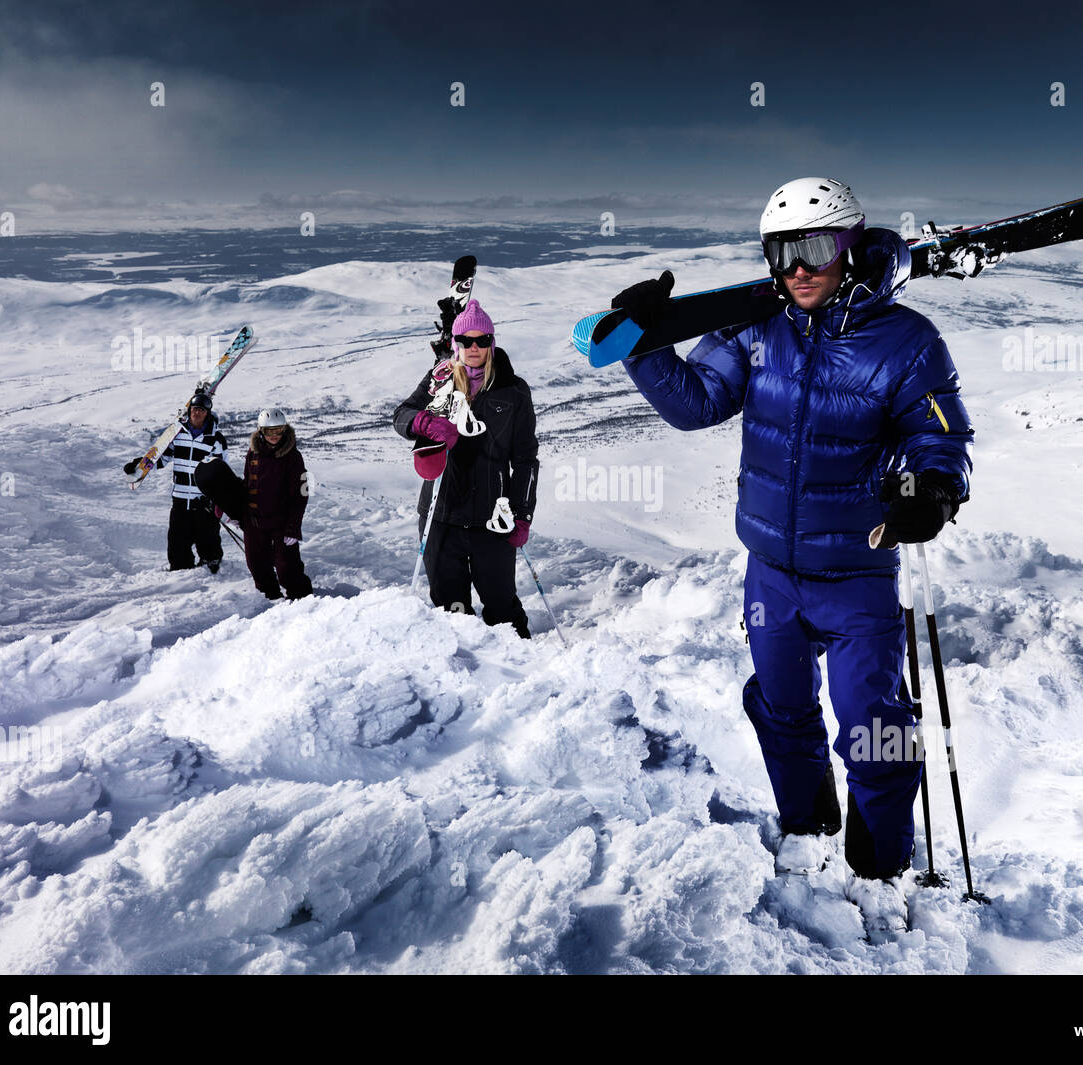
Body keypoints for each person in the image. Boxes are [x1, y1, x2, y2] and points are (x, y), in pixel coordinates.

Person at [611, 177, 974, 881]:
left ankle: (881, 861)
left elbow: (942, 440)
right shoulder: (755, 324)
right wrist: (647, 345)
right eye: (780, 253)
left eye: (812, 249)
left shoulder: (906, 342)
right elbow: (696, 403)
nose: (797, 269)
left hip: (858, 573)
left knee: (876, 733)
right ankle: (806, 827)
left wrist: (932, 493)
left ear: (849, 246)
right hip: (770, 571)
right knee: (781, 711)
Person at [394, 299, 539, 638]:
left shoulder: (513, 390)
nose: (474, 348)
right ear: (456, 344)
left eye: (482, 340)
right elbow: (401, 416)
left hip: (493, 519)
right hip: (440, 515)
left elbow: (526, 459)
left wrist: (522, 514)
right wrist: (423, 422)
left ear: (492, 342)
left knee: (502, 608)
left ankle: (524, 674)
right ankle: (462, 678)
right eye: (466, 341)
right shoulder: (438, 380)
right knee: (450, 610)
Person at [124, 391, 227, 572]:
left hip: (203, 502)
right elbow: (163, 459)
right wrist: (140, 466)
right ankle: (180, 575)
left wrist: (215, 497)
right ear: (189, 411)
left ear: (207, 413)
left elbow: (221, 471)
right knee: (177, 545)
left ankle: (214, 576)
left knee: (209, 543)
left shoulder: (216, 439)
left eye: (202, 410)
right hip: (180, 500)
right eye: (195, 409)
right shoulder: (178, 435)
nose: (197, 413)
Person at [242, 408, 312, 601]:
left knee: (287, 568)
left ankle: (303, 600)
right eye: (269, 431)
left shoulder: (293, 456)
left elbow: (301, 496)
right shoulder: (253, 453)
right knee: (257, 565)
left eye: (279, 430)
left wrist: (293, 528)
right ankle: (270, 599)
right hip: (255, 521)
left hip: (282, 523)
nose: (274, 436)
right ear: (260, 431)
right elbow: (247, 483)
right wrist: (236, 511)